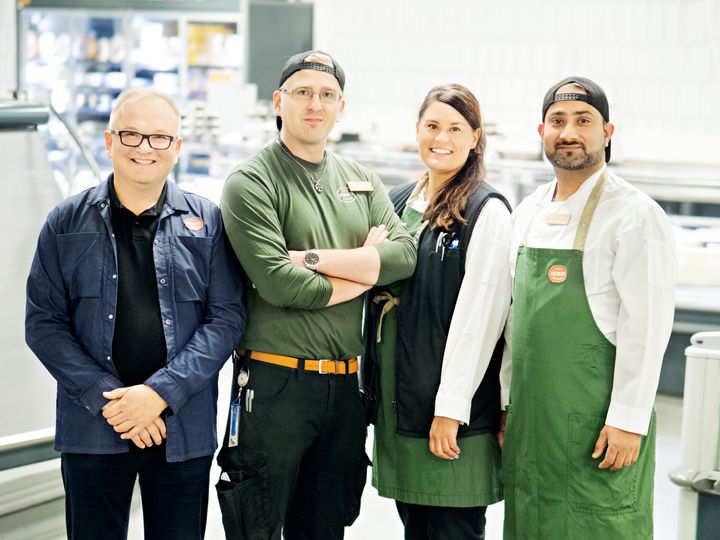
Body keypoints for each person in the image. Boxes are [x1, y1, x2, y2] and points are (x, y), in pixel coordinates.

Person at [25, 88, 246, 540]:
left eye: (160, 138)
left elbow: (226, 319)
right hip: (93, 427)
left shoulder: (208, 223)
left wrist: (158, 394)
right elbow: (43, 324)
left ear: (177, 147)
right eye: (132, 135)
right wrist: (113, 401)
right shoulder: (65, 222)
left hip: (181, 427)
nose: (145, 148)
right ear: (109, 142)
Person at [216, 50, 416, 539]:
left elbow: (405, 256)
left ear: (341, 107)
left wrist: (310, 258)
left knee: (326, 528)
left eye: (327, 95)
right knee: (256, 526)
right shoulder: (251, 181)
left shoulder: (363, 180)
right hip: (274, 385)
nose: (315, 104)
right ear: (278, 101)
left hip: (347, 387)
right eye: (303, 92)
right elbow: (282, 285)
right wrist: (366, 272)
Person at [499, 76, 677, 539]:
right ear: (542, 133)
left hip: (599, 427)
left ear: (607, 132)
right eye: (557, 121)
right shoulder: (528, 212)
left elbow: (647, 328)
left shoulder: (634, 215)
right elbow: (514, 324)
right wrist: (505, 405)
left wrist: (628, 420)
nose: (569, 132)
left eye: (583, 121)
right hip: (532, 424)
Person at [365, 84, 512, 540]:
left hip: (452, 409)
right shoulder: (396, 202)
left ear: (475, 137)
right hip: (400, 398)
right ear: (417, 130)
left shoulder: (486, 211)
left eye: (454, 128)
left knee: (453, 524)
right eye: (432, 126)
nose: (441, 138)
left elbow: (480, 321)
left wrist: (451, 409)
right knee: (416, 525)